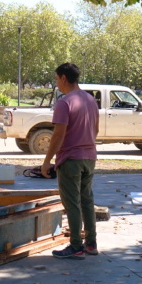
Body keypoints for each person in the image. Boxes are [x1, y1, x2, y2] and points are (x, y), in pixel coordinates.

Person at [41, 63, 99, 259]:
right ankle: (91, 243)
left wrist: (47, 161)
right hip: (89, 157)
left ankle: (76, 246)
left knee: (72, 202)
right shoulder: (90, 100)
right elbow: (96, 130)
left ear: (64, 78)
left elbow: (58, 135)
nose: (56, 83)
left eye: (57, 79)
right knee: (87, 200)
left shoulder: (64, 103)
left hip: (71, 159)